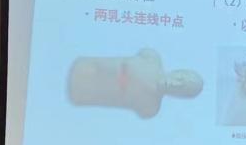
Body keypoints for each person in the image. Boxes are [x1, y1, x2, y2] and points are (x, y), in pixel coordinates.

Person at [67, 48, 202, 118]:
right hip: (81, 66)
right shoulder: (151, 57)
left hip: (78, 94)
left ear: (180, 97)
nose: (175, 84)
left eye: (182, 89)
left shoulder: (150, 108)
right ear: (178, 71)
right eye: (180, 79)